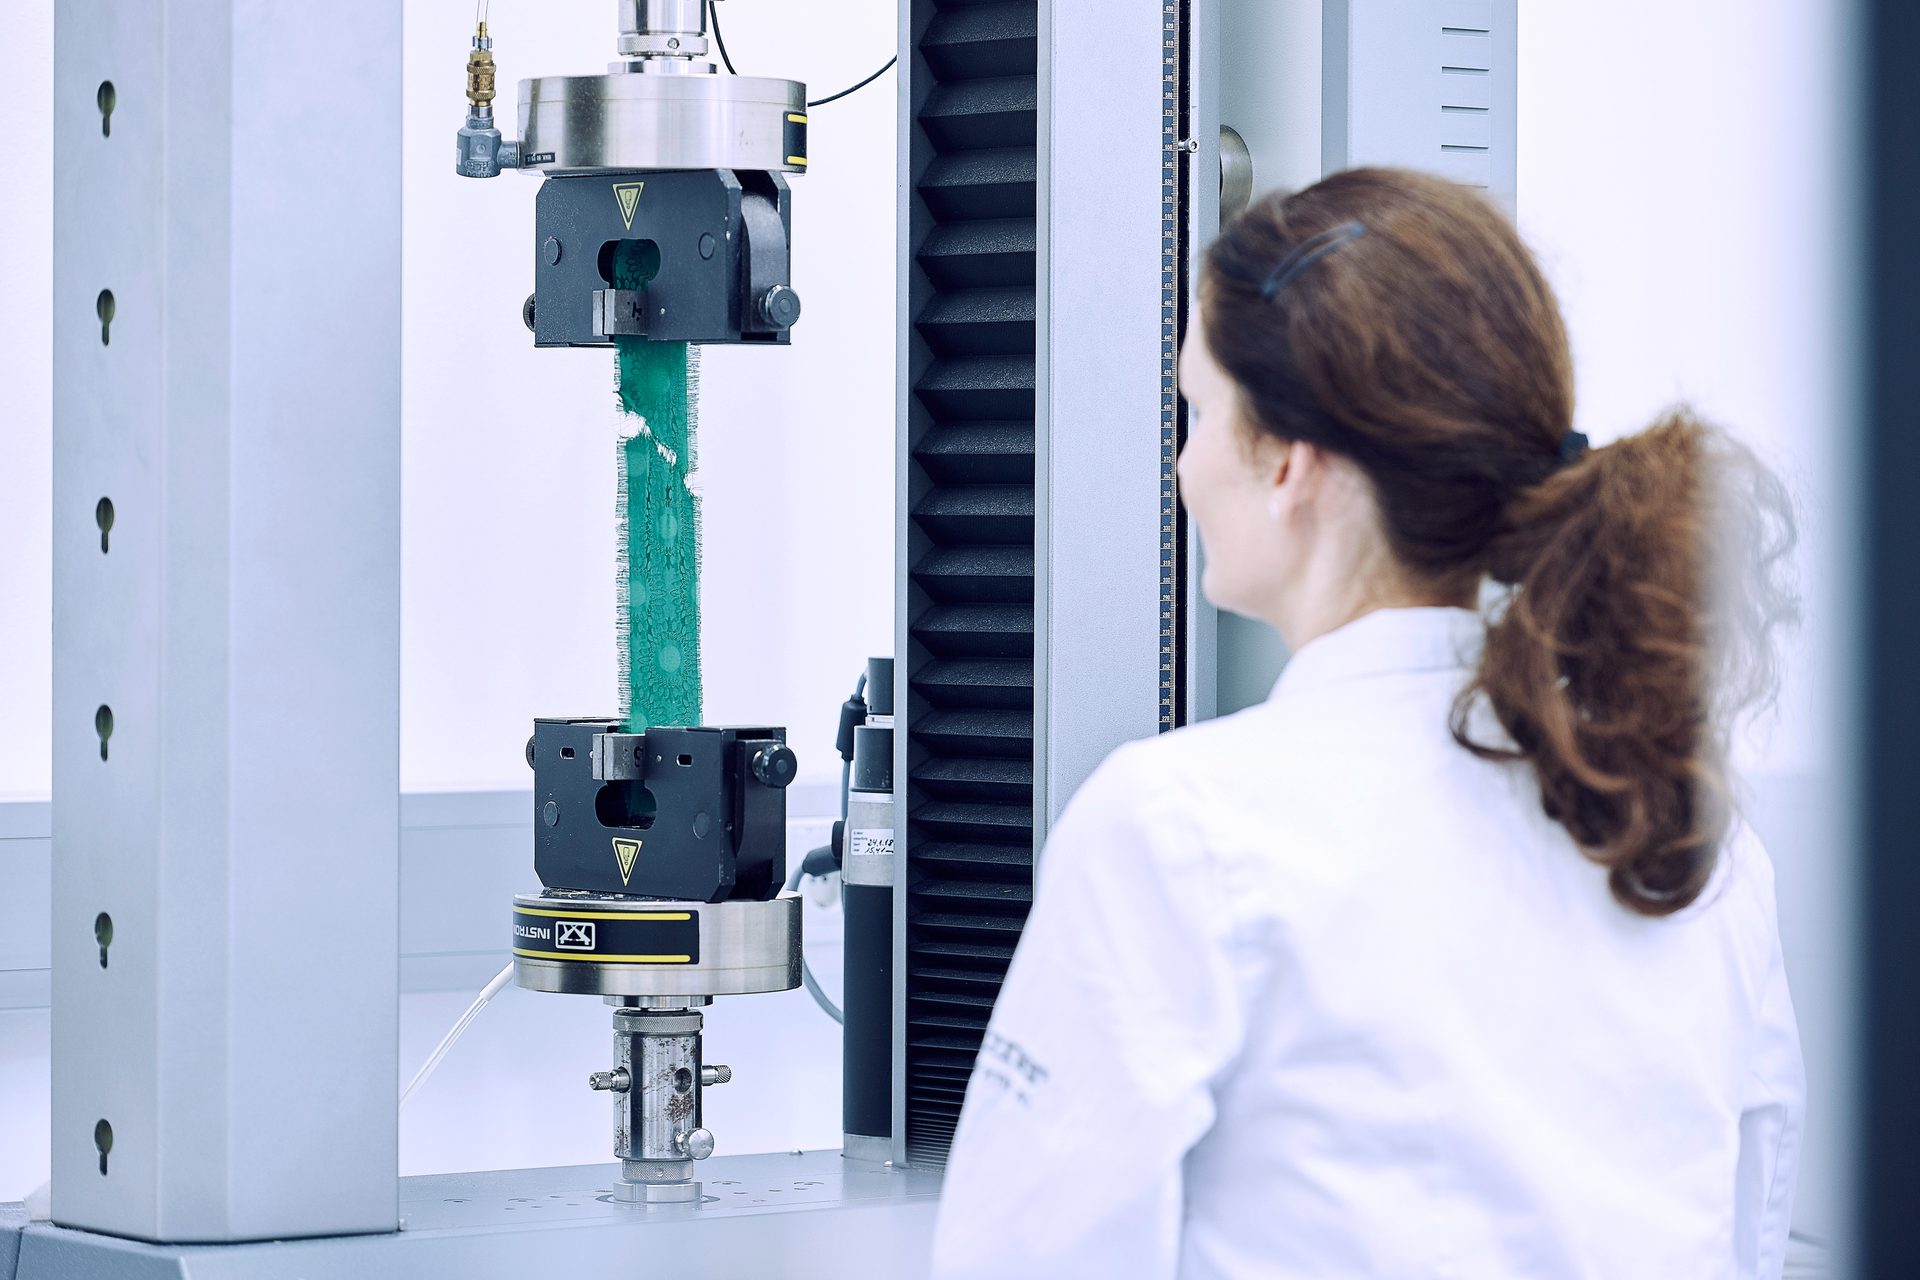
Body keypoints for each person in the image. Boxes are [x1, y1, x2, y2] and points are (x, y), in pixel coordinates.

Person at [928, 168, 1804, 1279]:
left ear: (1290, 462)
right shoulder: (1691, 843)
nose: (1187, 465)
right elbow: (1747, 1231)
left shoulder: (1175, 830)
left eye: (1199, 411)